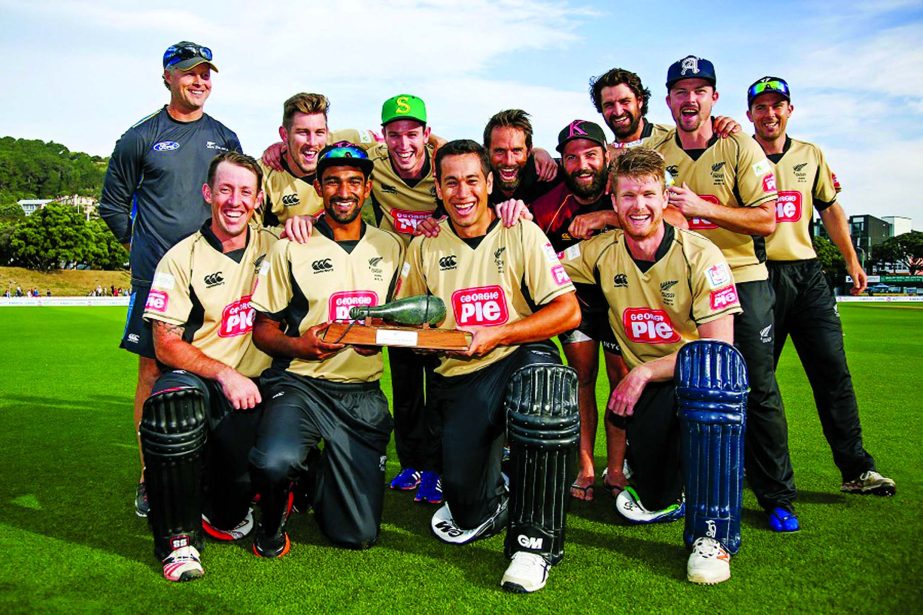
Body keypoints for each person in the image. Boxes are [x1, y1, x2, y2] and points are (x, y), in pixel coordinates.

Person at [397, 139, 581, 593]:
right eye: (452, 182)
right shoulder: (423, 245)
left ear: (491, 182)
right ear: (437, 188)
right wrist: (424, 343)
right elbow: (416, 323)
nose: (463, 193)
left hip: (515, 356)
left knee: (543, 391)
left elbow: (568, 312)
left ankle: (534, 544)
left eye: (472, 181)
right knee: (465, 506)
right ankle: (495, 494)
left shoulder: (519, 230)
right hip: (459, 377)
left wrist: (499, 333)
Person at [561, 146, 744, 585]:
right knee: (657, 490)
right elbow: (535, 264)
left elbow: (716, 350)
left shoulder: (702, 256)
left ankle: (712, 537)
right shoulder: (599, 252)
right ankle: (672, 484)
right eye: (627, 196)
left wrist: (641, 372)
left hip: (693, 379)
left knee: (710, 390)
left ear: (665, 197)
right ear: (613, 199)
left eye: (647, 194)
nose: (638, 206)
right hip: (650, 391)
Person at [652, 55, 800, 532]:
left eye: (700, 90)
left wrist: (701, 208)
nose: (689, 99)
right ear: (670, 99)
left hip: (740, 274)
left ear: (714, 98)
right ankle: (683, 483)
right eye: (680, 90)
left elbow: (766, 219)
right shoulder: (657, 150)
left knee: (756, 387)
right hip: (681, 281)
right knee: (685, 383)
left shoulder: (739, 145)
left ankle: (777, 495)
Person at [99, 41, 241, 517]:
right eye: (188, 74)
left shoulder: (225, 136)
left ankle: (212, 470)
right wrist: (141, 250)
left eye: (205, 74)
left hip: (216, 276)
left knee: (218, 367)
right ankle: (150, 475)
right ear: (167, 78)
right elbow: (113, 205)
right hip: (157, 281)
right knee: (151, 371)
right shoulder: (139, 137)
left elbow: (242, 196)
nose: (199, 82)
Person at [248, 142, 404, 557]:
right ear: (319, 186)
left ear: (368, 188)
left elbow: (396, 322)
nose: (343, 191)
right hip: (301, 383)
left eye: (354, 181)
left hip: (360, 391)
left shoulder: (390, 248)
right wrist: (299, 344)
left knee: (358, 536)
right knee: (273, 462)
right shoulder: (289, 246)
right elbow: (262, 328)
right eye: (332, 181)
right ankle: (274, 516)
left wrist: (379, 338)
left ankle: (317, 475)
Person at [746, 76, 895, 496]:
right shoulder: (738, 152)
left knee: (833, 373)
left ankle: (857, 469)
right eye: (761, 107)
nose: (769, 114)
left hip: (808, 276)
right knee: (757, 383)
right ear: (749, 114)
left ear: (789, 110)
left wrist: (851, 259)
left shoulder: (811, 154)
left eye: (777, 105)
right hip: (759, 275)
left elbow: (830, 208)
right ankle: (740, 468)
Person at [139, 151, 277, 582]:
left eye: (245, 192)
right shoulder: (180, 258)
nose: (234, 201)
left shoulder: (278, 247)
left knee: (229, 511)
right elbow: (165, 345)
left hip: (257, 389)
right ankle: (177, 544)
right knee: (171, 402)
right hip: (203, 380)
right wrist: (224, 373)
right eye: (225, 190)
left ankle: (236, 493)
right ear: (207, 194)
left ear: (257, 200)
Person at [257, 93, 377, 227]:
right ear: (284, 134)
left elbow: (392, 144)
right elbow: (249, 236)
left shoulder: (345, 141)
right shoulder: (262, 174)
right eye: (302, 132)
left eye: (319, 132)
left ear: (326, 132)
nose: (312, 142)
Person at [589, 67, 740, 157]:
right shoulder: (603, 156)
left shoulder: (674, 137)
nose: (618, 111)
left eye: (625, 101)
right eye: (609, 105)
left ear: (640, 101)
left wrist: (724, 125)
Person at [484, 109, 561, 206]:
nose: (509, 161)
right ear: (486, 151)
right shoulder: (475, 179)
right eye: (500, 151)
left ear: (529, 150)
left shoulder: (549, 173)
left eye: (516, 150)